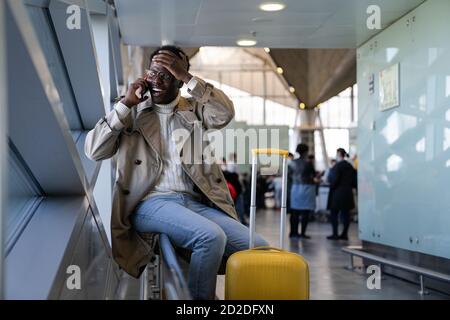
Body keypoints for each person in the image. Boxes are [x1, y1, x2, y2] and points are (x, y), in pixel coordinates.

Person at [84, 45, 268, 300]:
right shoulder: (132, 111)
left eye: (168, 75)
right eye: (153, 73)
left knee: (259, 248)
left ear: (180, 82)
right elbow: (94, 150)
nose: (157, 81)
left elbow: (224, 114)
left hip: (195, 203)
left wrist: (189, 78)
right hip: (148, 203)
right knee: (210, 237)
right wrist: (126, 103)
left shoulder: (193, 108)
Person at [289, 144, 319, 239]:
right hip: (306, 189)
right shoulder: (308, 163)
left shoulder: (292, 163)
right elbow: (314, 175)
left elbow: (288, 177)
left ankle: (293, 233)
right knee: (305, 213)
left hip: (295, 189)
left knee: (294, 212)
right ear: (306, 152)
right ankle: (302, 233)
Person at [327, 148, 357, 240]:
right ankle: (344, 234)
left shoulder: (337, 166)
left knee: (334, 214)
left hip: (337, 193)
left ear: (339, 154)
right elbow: (354, 181)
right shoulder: (350, 166)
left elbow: (334, 180)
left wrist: (331, 185)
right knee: (346, 215)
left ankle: (335, 234)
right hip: (348, 193)